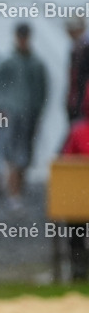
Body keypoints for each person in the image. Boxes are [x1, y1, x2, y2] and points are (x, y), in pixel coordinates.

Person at [0, 24, 47, 206]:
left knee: (25, 153)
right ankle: (13, 191)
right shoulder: (7, 61)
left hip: (29, 114)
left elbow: (41, 90)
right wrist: (0, 107)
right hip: (11, 113)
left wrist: (38, 111)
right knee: (12, 153)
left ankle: (18, 189)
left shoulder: (36, 63)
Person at [59, 119, 89, 281]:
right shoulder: (79, 131)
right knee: (77, 231)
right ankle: (78, 270)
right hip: (81, 196)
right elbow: (66, 162)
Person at [65, 17, 89, 122]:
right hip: (77, 100)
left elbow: (80, 79)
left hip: (81, 101)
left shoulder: (84, 49)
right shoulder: (76, 48)